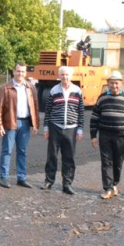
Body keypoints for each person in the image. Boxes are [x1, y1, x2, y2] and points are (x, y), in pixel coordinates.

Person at [90, 71, 124, 200]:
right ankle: (108, 188)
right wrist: (93, 136)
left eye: (116, 83)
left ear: (121, 83)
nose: (114, 85)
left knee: (118, 162)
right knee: (106, 162)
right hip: (105, 134)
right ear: (108, 84)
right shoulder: (102, 98)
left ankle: (114, 183)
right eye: (111, 83)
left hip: (122, 136)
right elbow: (94, 117)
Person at [0, 62, 40, 189]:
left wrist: (35, 124)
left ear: (25, 73)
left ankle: (21, 178)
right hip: (10, 123)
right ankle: (4, 178)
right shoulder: (5, 88)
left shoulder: (30, 87)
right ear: (14, 71)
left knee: (22, 151)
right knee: (7, 151)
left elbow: (35, 106)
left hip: (25, 123)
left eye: (23, 71)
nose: (20, 74)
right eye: (18, 71)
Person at [42, 66, 85, 195]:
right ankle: (49, 181)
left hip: (71, 129)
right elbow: (47, 110)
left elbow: (81, 112)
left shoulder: (77, 91)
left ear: (70, 76)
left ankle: (67, 184)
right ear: (59, 76)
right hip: (55, 127)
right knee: (52, 156)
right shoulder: (54, 91)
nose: (65, 77)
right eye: (62, 75)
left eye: (67, 75)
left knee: (69, 157)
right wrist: (46, 128)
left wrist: (80, 129)